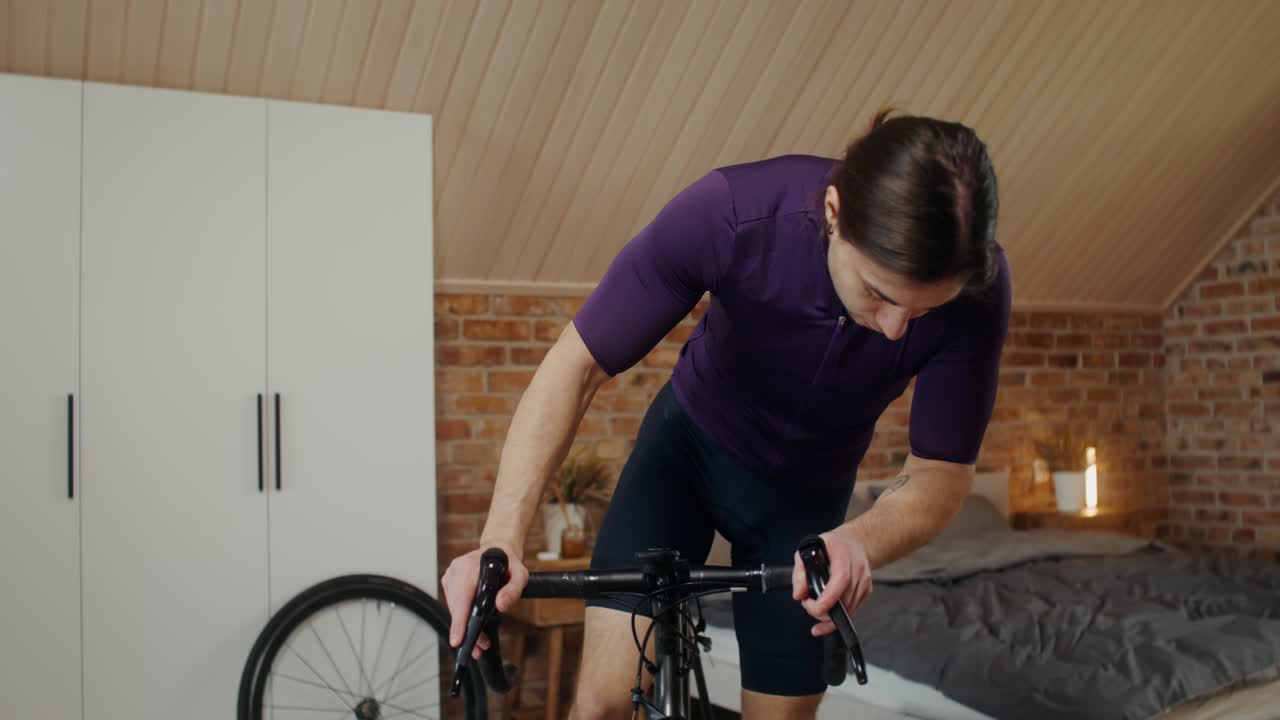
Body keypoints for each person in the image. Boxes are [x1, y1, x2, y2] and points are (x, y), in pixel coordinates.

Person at [441, 108, 1011, 719]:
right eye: (878, 292)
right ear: (834, 212)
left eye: (923, 313)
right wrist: (499, 542)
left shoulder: (979, 293)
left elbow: (941, 472)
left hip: (806, 507)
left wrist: (860, 539)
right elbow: (575, 367)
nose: (897, 330)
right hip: (683, 457)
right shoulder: (733, 213)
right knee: (602, 704)